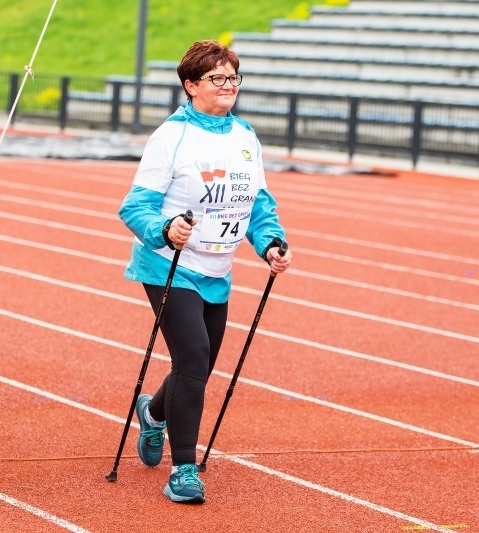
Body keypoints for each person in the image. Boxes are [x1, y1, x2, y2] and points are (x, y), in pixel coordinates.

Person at [117, 40, 292, 504]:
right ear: (191, 85)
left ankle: (153, 415)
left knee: (200, 366)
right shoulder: (171, 137)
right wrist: (164, 228)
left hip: (219, 267)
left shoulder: (245, 137)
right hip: (169, 264)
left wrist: (271, 243)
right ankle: (184, 470)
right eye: (218, 78)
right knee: (193, 358)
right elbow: (135, 206)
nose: (228, 85)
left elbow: (258, 205)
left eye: (233, 77)